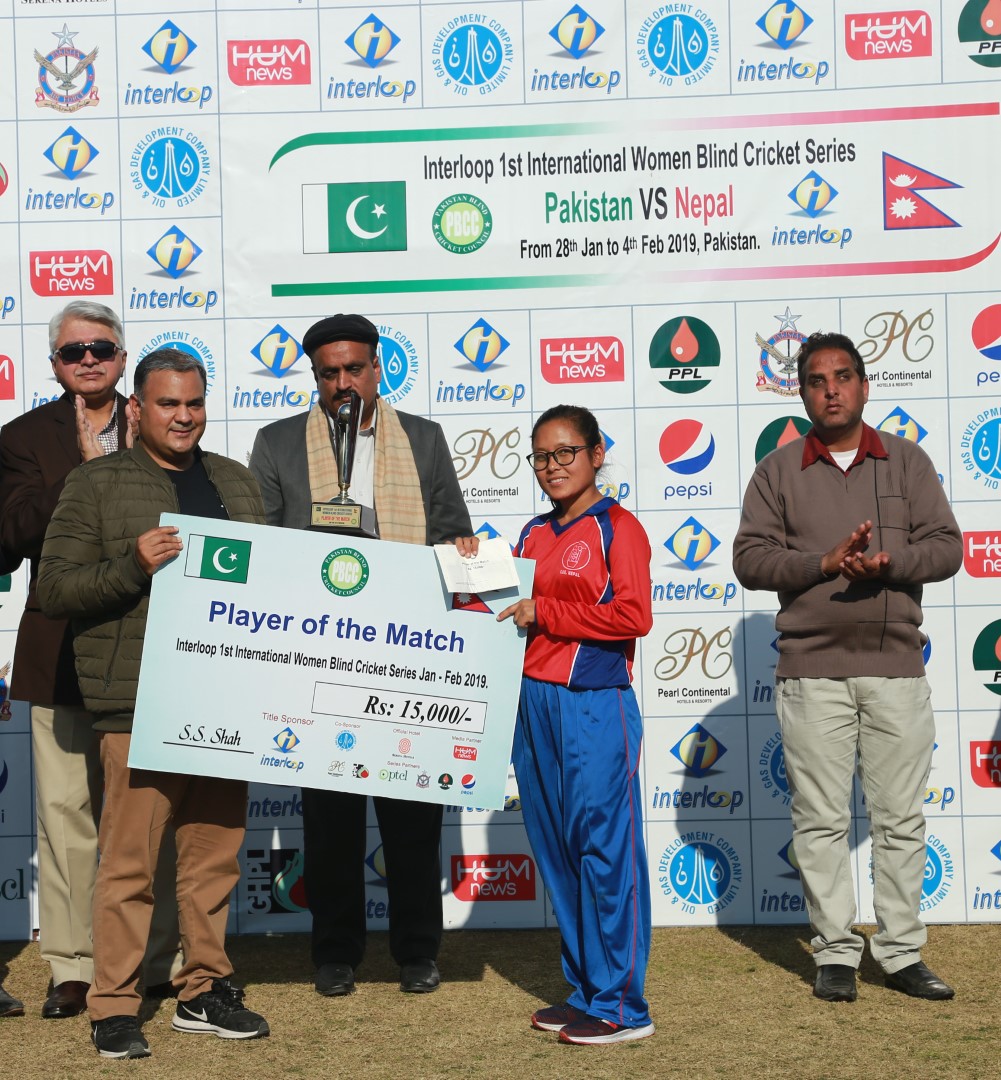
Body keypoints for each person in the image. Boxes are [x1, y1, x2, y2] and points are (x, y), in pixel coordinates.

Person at [37, 349, 269, 1058]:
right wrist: (132, 565)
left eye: (194, 403)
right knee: (129, 865)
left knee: (213, 861)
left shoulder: (236, 483)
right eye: (168, 404)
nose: (184, 416)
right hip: (138, 703)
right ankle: (113, 1003)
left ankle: (204, 990)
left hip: (225, 704)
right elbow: (56, 590)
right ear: (138, 408)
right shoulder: (97, 483)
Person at [732, 331, 962, 1004]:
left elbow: (946, 547)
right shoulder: (776, 471)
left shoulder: (905, 463)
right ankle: (834, 952)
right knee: (820, 821)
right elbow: (748, 559)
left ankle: (897, 954)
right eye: (814, 379)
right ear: (800, 392)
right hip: (811, 673)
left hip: (894, 669)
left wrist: (893, 562)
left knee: (898, 820)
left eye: (841, 377)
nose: (829, 388)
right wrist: (820, 564)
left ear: (863, 387)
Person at [249, 313, 471, 997]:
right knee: (331, 816)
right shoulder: (279, 442)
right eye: (328, 373)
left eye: (354, 368)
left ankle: (415, 951)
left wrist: (466, 565)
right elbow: (261, 545)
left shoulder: (424, 440)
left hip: (404, 655)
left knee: (410, 811)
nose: (342, 382)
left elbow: (454, 533)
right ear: (314, 378)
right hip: (318, 657)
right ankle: (335, 951)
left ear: (378, 369)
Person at [0, 301, 180, 1019]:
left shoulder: (163, 421)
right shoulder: (22, 438)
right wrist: (83, 469)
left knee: (150, 812)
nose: (89, 359)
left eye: (102, 347)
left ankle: (154, 956)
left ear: (120, 353)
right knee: (67, 815)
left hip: (152, 648)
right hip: (61, 651)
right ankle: (72, 965)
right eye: (74, 351)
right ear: (54, 363)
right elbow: (10, 537)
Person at [459, 404, 655, 1045]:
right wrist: (467, 564)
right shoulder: (533, 534)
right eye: (542, 456)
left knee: (605, 850)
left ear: (597, 454)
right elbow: (498, 606)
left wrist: (544, 610)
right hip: (532, 702)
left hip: (593, 701)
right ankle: (587, 993)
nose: (553, 466)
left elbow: (633, 616)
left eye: (566, 452)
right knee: (559, 853)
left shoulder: (618, 528)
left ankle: (624, 1007)